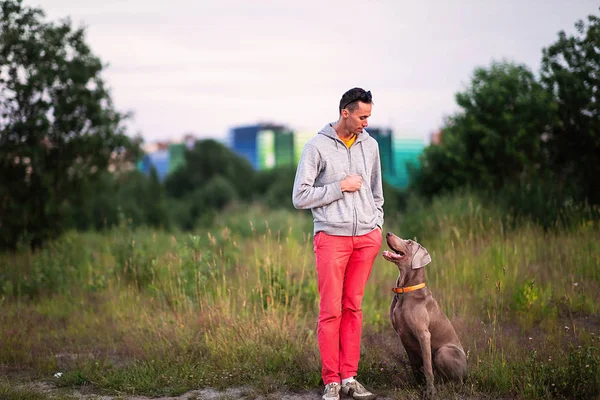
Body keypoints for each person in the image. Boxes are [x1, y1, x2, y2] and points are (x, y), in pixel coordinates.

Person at [292, 88, 384, 400]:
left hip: (366, 239)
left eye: (369, 117)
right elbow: (300, 196)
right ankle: (331, 379)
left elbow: (376, 191)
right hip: (332, 237)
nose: (366, 123)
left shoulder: (370, 145)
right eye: (362, 116)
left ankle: (349, 377)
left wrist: (377, 224)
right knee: (330, 310)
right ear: (345, 112)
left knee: (353, 307)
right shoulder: (316, 147)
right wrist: (339, 187)